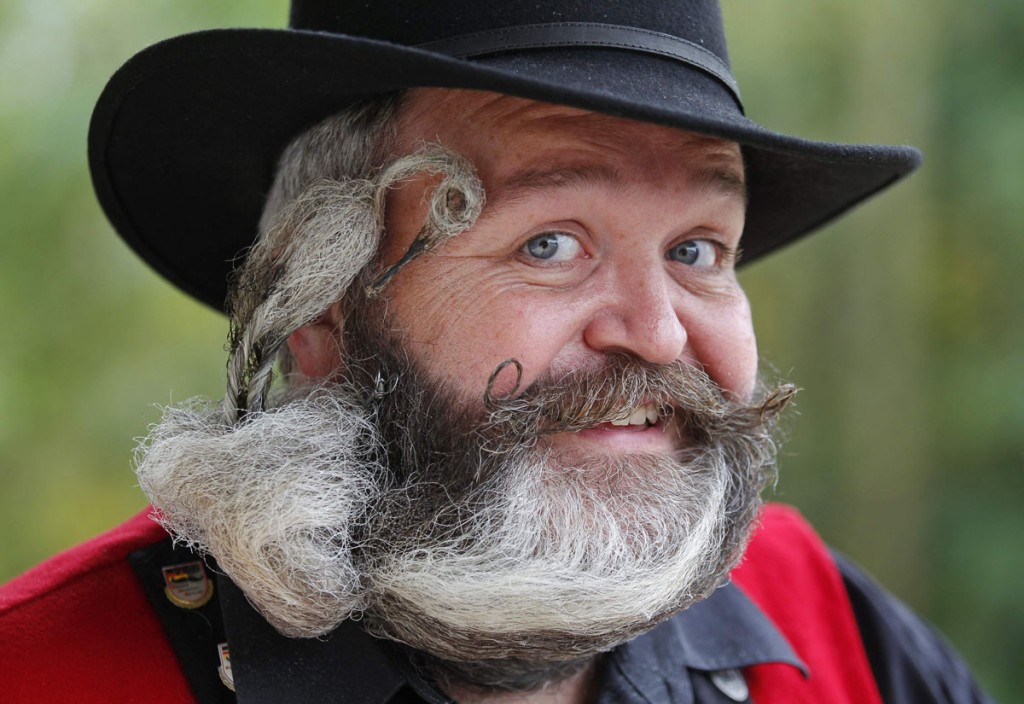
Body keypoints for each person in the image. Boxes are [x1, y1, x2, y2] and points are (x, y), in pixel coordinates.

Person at [0, 1, 994, 702]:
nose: (654, 331)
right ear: (323, 307)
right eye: (549, 243)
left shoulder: (827, 625)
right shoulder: (44, 672)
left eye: (697, 249)